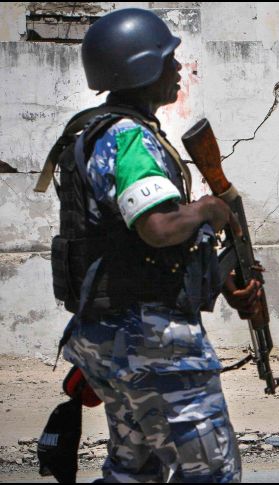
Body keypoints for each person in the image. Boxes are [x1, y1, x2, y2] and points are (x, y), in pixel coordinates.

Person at [47, 8, 259, 482]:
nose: (178, 68)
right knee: (211, 472)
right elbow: (159, 228)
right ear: (141, 67)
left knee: (134, 469)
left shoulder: (94, 133)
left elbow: (128, 245)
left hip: (112, 335)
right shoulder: (129, 139)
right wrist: (207, 210)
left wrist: (221, 278)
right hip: (153, 340)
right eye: (168, 59)